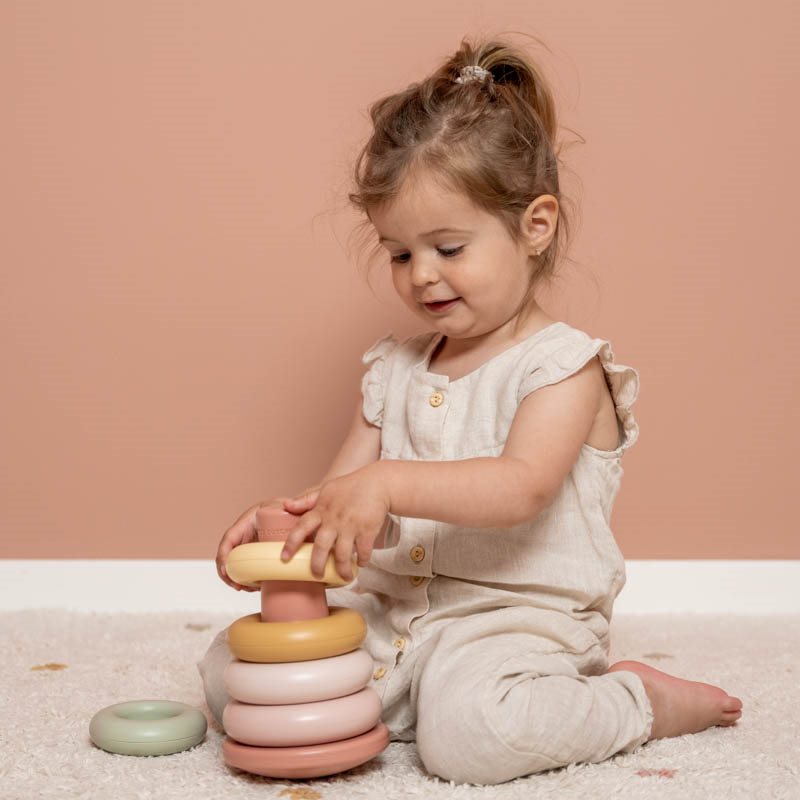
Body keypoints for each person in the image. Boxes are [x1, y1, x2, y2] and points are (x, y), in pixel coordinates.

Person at [198, 34, 743, 785]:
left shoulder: (564, 366)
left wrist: (388, 483)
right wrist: (285, 520)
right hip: (391, 617)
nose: (421, 275)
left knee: (473, 740)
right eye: (398, 253)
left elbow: (520, 487)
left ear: (535, 226)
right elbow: (343, 502)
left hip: (512, 624)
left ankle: (637, 700)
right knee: (233, 676)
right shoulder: (392, 370)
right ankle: (409, 702)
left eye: (448, 248)